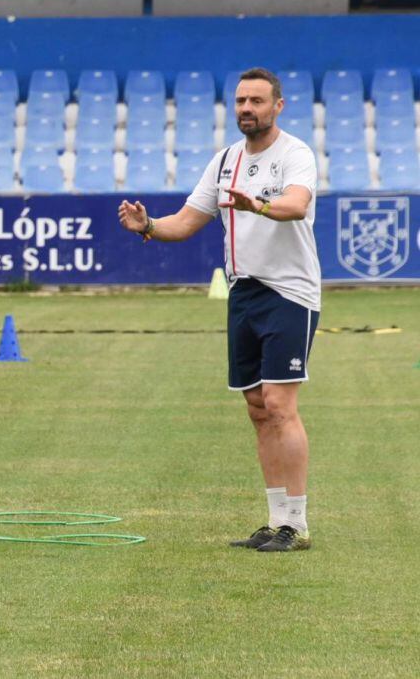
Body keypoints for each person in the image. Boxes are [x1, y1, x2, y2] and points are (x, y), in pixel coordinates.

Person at [118, 67, 320, 552]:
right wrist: (148, 226)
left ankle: (298, 523)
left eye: (256, 101)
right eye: (240, 101)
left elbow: (296, 205)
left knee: (279, 404)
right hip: (244, 292)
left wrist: (259, 207)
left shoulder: (295, 154)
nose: (247, 109)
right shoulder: (226, 159)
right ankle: (274, 521)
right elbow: (187, 222)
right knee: (255, 408)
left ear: (278, 105)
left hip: (289, 292)